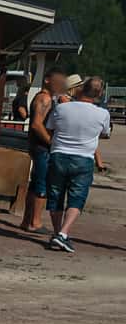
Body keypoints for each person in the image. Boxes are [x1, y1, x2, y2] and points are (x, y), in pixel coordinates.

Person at [41, 76, 110, 253]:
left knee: (55, 195)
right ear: (99, 94)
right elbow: (104, 133)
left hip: (59, 155)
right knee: (76, 197)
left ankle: (57, 233)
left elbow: (50, 127)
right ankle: (63, 234)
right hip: (83, 158)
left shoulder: (62, 108)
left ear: (81, 89)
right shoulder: (102, 114)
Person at [22, 68, 69, 231]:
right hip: (42, 147)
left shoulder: (48, 98)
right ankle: (36, 222)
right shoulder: (44, 98)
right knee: (42, 185)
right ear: (48, 80)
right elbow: (36, 124)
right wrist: (51, 142)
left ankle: (27, 220)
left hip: (38, 147)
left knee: (35, 184)